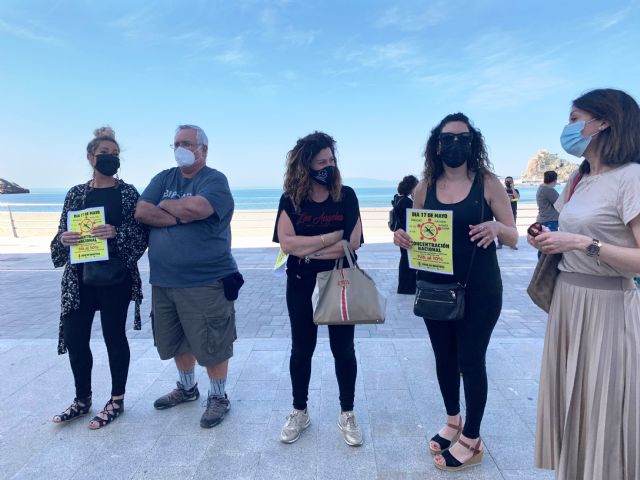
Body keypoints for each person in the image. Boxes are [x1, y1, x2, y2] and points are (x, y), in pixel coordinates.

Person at [393, 113, 518, 471]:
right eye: (448, 138)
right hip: (435, 288)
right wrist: (402, 238)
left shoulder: (488, 183)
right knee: (444, 358)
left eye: (463, 138)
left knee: (471, 360)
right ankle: (453, 421)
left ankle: (472, 438)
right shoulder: (424, 187)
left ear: (473, 143)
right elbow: (416, 231)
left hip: (481, 288)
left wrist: (496, 227)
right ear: (437, 145)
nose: (455, 144)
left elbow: (513, 235)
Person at [531, 88, 640, 479]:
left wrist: (583, 244)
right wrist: (547, 237)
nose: (569, 127)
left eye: (575, 119)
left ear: (604, 121)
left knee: (602, 408)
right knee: (572, 404)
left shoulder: (631, 177)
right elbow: (566, 227)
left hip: (607, 306)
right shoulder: (579, 178)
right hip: (568, 299)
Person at [135, 124, 241, 429]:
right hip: (164, 280)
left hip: (205, 280)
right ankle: (187, 388)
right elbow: (142, 211)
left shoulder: (214, 179)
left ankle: (218, 396)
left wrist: (167, 206)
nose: (180, 148)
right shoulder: (163, 177)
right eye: (176, 144)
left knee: (213, 340)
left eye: (187, 143)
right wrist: (181, 217)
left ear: (203, 149)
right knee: (177, 339)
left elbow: (200, 207)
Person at [50, 127, 148, 429]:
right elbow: (59, 237)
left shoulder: (128, 192)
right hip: (78, 279)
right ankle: (82, 399)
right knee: (76, 339)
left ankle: (117, 400)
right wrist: (63, 240)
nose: (111, 159)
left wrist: (116, 233)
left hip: (115, 278)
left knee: (114, 337)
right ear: (91, 157)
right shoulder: (76, 193)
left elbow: (142, 236)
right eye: (105, 153)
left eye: (115, 154)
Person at [273, 131, 364, 446]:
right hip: (301, 282)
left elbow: (353, 242)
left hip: (340, 280)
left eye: (332, 160)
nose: (329, 166)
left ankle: (347, 412)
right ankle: (300, 411)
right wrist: (330, 238)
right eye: (322, 162)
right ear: (306, 165)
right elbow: (287, 244)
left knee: (343, 349)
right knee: (302, 349)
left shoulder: (346, 196)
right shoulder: (290, 199)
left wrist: (309, 248)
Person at [392, 175, 419, 294]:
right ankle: (408, 287)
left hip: (401, 232)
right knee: (408, 261)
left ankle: (404, 287)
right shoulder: (407, 202)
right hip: (407, 234)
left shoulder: (398, 199)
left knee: (405, 259)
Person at [497, 176, 520, 249]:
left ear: (512, 182)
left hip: (513, 212)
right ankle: (500, 244)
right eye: (507, 181)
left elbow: (517, 197)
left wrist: (512, 188)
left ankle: (512, 244)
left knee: (513, 229)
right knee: (500, 228)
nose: (508, 183)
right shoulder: (502, 190)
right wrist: (506, 199)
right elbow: (498, 200)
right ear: (504, 182)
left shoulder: (515, 190)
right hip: (502, 212)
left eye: (510, 181)